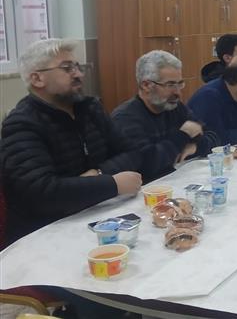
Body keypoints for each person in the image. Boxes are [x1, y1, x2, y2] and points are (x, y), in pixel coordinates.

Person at [1, 39, 142, 244]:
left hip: (96, 213)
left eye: (77, 67)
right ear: (37, 79)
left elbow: (132, 152)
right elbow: (40, 194)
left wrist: (98, 174)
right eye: (67, 68)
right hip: (44, 234)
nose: (79, 74)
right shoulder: (22, 124)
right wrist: (112, 183)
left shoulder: (90, 108)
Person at [112, 51, 221, 181]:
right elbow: (146, 164)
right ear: (146, 85)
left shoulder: (174, 106)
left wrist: (195, 147)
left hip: (175, 179)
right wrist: (183, 135)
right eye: (170, 85)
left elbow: (213, 137)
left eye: (180, 84)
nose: (178, 92)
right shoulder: (125, 118)